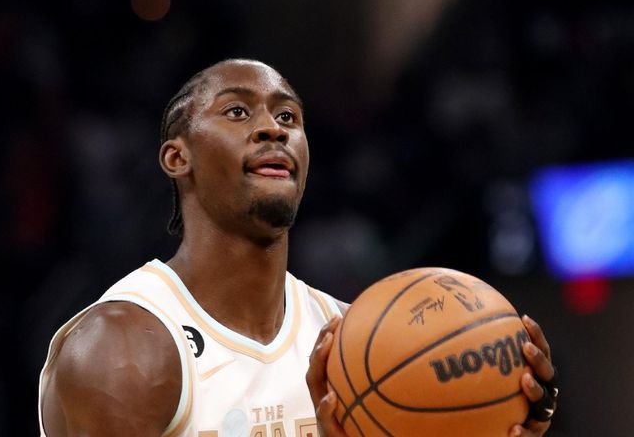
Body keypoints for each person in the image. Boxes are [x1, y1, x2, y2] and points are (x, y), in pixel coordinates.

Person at [38, 59, 557, 437]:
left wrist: (493, 417)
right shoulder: (121, 350)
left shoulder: (352, 340)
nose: (272, 128)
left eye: (288, 117)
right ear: (178, 158)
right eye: (237, 112)